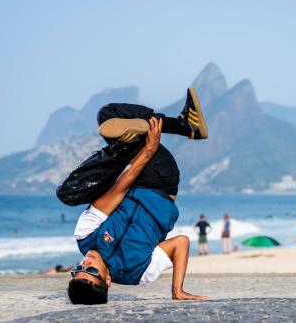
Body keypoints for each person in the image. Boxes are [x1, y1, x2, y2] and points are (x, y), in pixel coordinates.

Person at [64, 87, 209, 305]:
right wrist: (177, 290)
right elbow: (181, 242)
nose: (86, 261)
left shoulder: (85, 236)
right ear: (108, 279)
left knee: (67, 192)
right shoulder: (142, 272)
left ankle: (180, 127)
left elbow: (119, 189)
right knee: (109, 118)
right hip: (160, 182)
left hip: (132, 177)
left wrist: (147, 151)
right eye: (91, 270)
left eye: (78, 268)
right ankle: (182, 126)